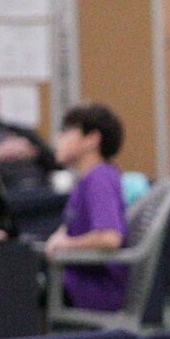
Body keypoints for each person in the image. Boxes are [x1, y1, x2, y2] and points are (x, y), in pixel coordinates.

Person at [44, 104, 127, 312]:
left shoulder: (99, 178)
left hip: (93, 291)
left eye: (66, 131)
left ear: (92, 139)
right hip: (77, 282)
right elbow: (70, 228)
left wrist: (66, 245)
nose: (58, 139)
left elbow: (110, 238)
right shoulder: (85, 181)